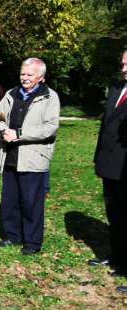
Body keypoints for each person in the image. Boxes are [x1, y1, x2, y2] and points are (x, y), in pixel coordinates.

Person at [0, 57, 60, 255]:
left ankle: (32, 243)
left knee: (31, 203)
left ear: (41, 77)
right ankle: (13, 236)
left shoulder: (50, 97)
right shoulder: (11, 94)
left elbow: (50, 128)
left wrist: (19, 135)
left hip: (33, 158)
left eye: (30, 75)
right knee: (10, 201)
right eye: (22, 73)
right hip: (10, 156)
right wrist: (3, 131)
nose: (25, 78)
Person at [90, 49, 127, 281]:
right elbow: (106, 127)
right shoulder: (116, 88)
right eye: (122, 63)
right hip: (110, 163)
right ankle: (118, 257)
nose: (123, 68)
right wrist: (98, 158)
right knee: (114, 213)